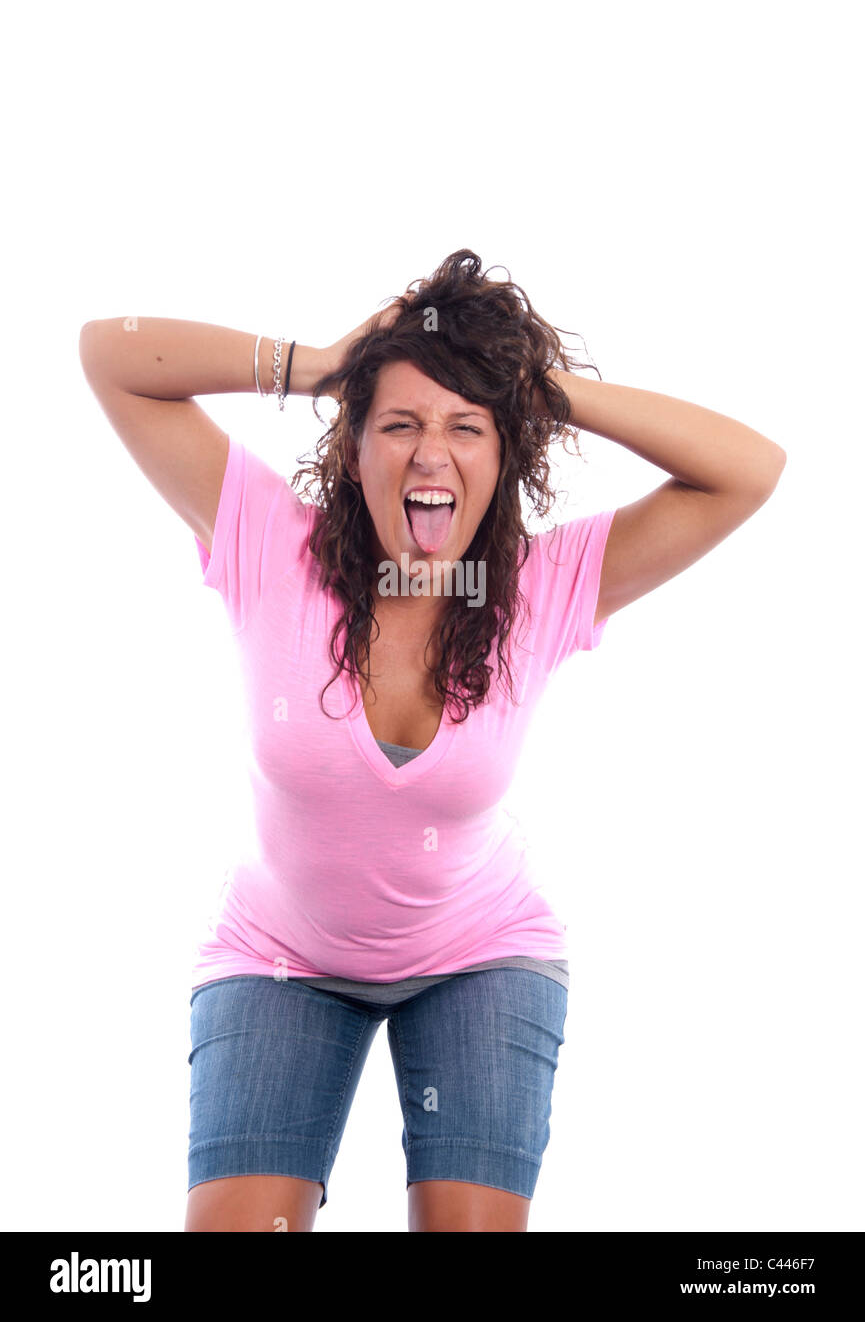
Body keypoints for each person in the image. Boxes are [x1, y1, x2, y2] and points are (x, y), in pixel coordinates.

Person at [78, 249, 786, 1232]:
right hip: (281, 955)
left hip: (477, 957)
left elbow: (747, 469)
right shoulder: (264, 542)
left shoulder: (549, 583)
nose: (429, 453)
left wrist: (529, 384)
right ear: (353, 447)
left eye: (467, 428)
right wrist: (323, 362)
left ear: (506, 456)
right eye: (398, 423)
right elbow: (110, 357)